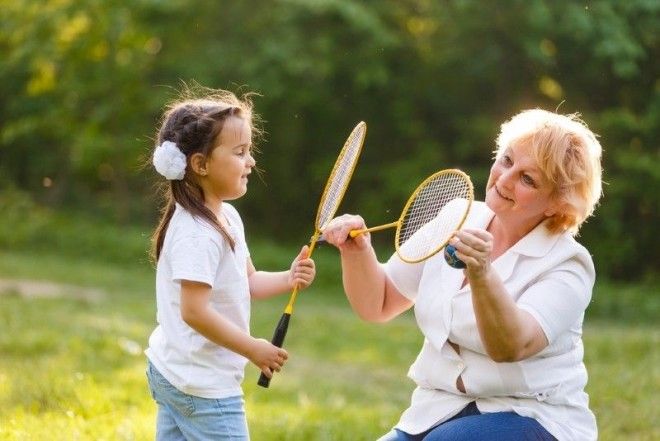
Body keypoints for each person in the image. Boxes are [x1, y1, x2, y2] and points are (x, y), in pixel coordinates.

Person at [322, 109, 603, 441]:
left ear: (557, 204)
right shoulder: (458, 215)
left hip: (532, 416)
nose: (504, 179)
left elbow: (511, 345)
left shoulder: (569, 262)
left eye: (528, 179)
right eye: (507, 160)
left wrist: (482, 274)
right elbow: (378, 304)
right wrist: (358, 252)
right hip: (438, 409)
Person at [144, 88, 316, 440]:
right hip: (202, 388)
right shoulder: (198, 234)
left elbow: (248, 282)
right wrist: (252, 347)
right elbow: (194, 311)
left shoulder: (226, 217)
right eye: (240, 152)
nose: (251, 161)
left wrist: (288, 276)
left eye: (249, 151)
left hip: (175, 373)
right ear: (200, 164)